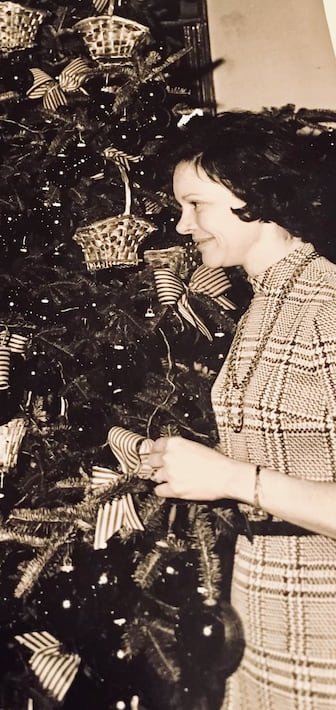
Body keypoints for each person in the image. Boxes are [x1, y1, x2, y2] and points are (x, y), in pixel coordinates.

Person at [147, 110, 336, 708]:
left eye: (195, 204)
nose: (182, 225)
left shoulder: (327, 305)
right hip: (265, 601)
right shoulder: (266, 299)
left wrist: (231, 478)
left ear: (251, 193)